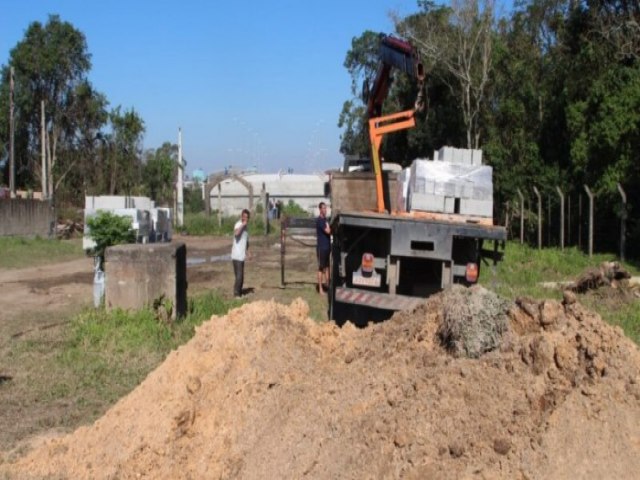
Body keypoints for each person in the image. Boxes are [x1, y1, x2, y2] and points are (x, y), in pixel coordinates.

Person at [231, 209, 250, 297]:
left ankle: (239, 292)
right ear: (241, 217)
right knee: (239, 276)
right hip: (236, 255)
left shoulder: (246, 229)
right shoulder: (238, 224)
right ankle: (236, 294)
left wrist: (248, 252)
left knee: (240, 276)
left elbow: (246, 242)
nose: (245, 219)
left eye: (247, 217)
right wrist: (243, 225)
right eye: (244, 217)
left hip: (241, 255)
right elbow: (236, 233)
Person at [316, 202, 331, 294]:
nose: (325, 210)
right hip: (321, 248)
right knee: (321, 268)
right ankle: (320, 289)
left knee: (327, 267)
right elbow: (328, 231)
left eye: (326, 208)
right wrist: (331, 228)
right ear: (320, 209)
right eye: (324, 208)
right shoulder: (320, 220)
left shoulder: (325, 220)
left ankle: (328, 286)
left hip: (327, 247)